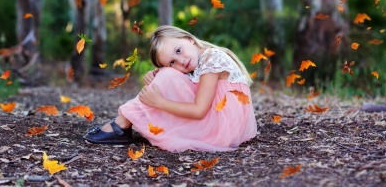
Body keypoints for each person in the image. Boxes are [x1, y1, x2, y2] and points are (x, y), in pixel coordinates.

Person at [83, 25, 257, 152]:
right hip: (217, 120)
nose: (181, 61)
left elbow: (199, 111)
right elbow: (184, 84)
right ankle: (124, 122)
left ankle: (123, 123)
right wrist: (157, 76)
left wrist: (160, 102)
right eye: (172, 62)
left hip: (221, 129)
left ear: (189, 39)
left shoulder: (212, 58)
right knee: (165, 74)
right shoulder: (197, 61)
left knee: (165, 76)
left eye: (179, 50)